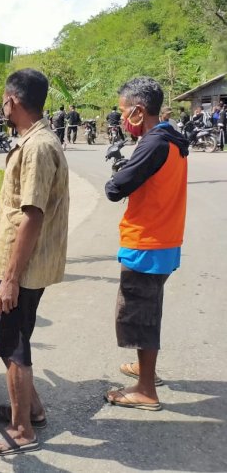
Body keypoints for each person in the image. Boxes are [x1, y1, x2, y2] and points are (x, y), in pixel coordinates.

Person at [0, 69, 69, 456]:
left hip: (20, 268)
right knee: (6, 332)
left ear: (12, 101)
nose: (2, 106)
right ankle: (32, 409)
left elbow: (32, 214)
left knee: (12, 341)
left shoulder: (37, 147)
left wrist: (11, 277)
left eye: (3, 99)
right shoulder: (34, 140)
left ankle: (22, 430)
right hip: (9, 256)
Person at [104, 77, 188, 411]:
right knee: (149, 308)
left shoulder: (152, 144)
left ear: (139, 111)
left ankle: (146, 390)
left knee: (140, 315)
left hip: (147, 242)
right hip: (166, 238)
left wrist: (119, 172)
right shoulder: (172, 137)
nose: (123, 119)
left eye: (125, 112)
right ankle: (145, 367)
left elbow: (115, 189)